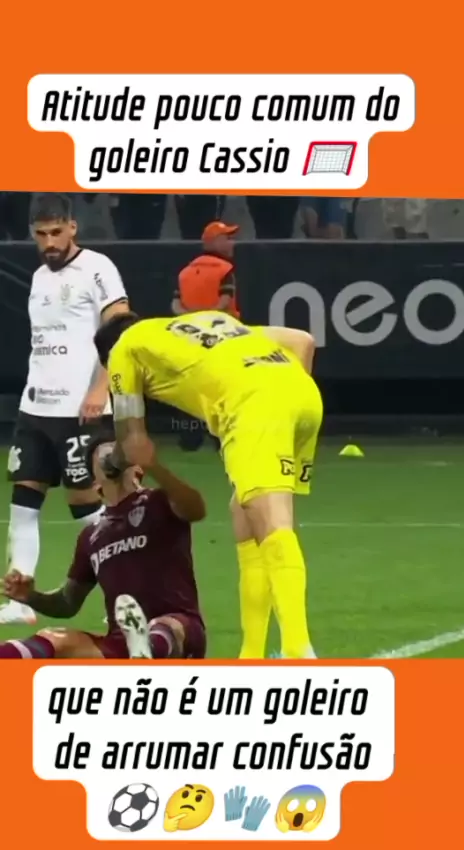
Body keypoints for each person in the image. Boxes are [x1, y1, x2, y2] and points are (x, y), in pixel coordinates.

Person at [93, 310, 323, 660]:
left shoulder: (124, 348)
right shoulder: (205, 324)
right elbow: (302, 341)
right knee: (244, 515)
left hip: (252, 404)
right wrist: (283, 404)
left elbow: (132, 443)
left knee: (271, 521)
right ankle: (251, 655)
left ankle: (298, 649)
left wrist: (110, 463)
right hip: (302, 394)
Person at [0, 192, 130, 625]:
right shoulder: (40, 277)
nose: (50, 242)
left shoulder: (97, 268)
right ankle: (20, 600)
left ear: (73, 227)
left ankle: (123, 592)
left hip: (81, 409)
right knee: (23, 501)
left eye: (57, 232)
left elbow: (120, 331)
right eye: (41, 235)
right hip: (36, 407)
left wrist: (100, 388)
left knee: (85, 506)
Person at [0, 433, 207, 659]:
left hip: (181, 629)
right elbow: (67, 602)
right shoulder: (92, 536)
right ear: (96, 484)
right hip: (121, 643)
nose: (112, 454)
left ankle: (145, 650)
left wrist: (154, 466)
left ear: (137, 469)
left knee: (164, 626)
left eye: (117, 450)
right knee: (54, 638)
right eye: (102, 453)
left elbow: (196, 509)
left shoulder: (160, 501)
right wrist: (31, 596)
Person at [171, 220, 240, 451]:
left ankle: (189, 437)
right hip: (222, 336)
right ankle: (221, 436)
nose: (232, 243)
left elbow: (175, 304)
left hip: (190, 338)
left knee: (192, 385)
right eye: (227, 238)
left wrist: (192, 320)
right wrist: (209, 319)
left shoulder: (186, 271)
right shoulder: (225, 269)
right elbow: (225, 301)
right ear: (214, 242)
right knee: (223, 388)